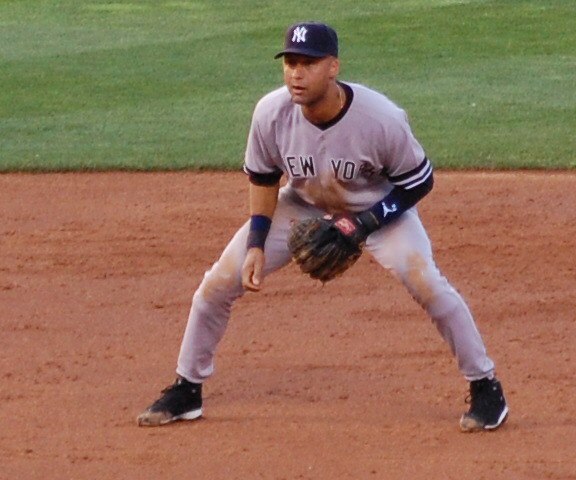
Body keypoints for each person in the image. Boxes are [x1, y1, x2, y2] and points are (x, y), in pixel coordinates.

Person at [137, 21, 508, 433]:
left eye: (308, 64)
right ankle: (187, 388)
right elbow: (263, 180)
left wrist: (364, 223)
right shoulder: (271, 113)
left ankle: (485, 386)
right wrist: (257, 243)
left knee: (426, 282)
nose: (297, 73)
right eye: (291, 63)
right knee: (215, 285)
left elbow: (418, 181)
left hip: (379, 210)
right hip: (302, 204)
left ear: (333, 67)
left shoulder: (380, 118)